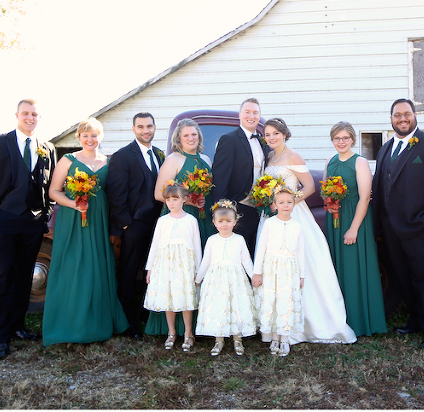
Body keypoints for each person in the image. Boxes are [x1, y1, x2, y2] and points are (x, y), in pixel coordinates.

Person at [260, 118, 357, 345]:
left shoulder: (293, 156)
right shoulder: (269, 157)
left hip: (294, 215)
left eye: (276, 133)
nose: (272, 138)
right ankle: (276, 323)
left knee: (302, 265)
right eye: (268, 135)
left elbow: (311, 186)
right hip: (271, 217)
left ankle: (310, 323)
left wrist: (287, 203)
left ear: (284, 134)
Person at [0, 99, 56, 358]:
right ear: (17, 115)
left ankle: (18, 326)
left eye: (34, 114)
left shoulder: (47, 147)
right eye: (26, 113)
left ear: (39, 117)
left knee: (24, 276)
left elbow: (51, 185)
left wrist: (46, 214)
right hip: (2, 218)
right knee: (2, 276)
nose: (30, 118)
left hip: (32, 222)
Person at [371, 99, 424, 349]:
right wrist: (379, 225)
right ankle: (416, 319)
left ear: (415, 116)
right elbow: (380, 186)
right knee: (404, 276)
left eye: (407, 114)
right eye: (397, 115)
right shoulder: (385, 148)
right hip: (392, 228)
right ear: (391, 119)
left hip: (422, 226)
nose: (403, 119)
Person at [42, 118, 129, 345]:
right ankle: (70, 323)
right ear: (79, 138)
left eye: (94, 135)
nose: (90, 139)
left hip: (99, 219)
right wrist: (74, 204)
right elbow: (54, 191)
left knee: (97, 265)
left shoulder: (109, 162)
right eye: (85, 135)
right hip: (73, 219)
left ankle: (98, 321)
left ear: (101, 136)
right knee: (74, 265)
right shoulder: (68, 160)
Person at [146, 118, 214, 336]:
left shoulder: (205, 159)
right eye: (186, 135)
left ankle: (201, 324)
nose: (191, 138)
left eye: (194, 134)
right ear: (179, 139)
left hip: (201, 218)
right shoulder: (173, 160)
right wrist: (189, 201)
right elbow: (159, 194)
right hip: (180, 217)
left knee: (198, 266)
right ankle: (173, 328)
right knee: (177, 273)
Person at [324, 121, 387, 338]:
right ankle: (340, 319)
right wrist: (329, 202)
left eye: (345, 138)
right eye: (337, 138)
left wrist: (353, 228)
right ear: (332, 140)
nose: (341, 142)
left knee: (354, 267)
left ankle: (360, 320)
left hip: (354, 218)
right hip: (334, 219)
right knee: (337, 268)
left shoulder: (359, 162)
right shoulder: (329, 162)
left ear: (352, 139)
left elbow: (364, 198)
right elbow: (326, 192)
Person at [107, 112, 165, 339]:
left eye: (149, 126)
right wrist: (126, 225)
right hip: (134, 225)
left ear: (154, 127)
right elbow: (116, 194)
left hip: (157, 223)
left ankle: (144, 314)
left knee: (149, 271)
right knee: (129, 272)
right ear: (133, 129)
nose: (145, 130)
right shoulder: (123, 156)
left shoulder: (159, 155)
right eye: (141, 127)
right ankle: (126, 323)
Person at [143, 183, 203, 352]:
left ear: (184, 199)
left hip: (185, 263)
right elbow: (155, 246)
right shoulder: (162, 221)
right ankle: (171, 332)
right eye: (168, 199)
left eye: (175, 199)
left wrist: (198, 270)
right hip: (165, 263)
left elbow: (197, 246)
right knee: (168, 297)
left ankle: (188, 333)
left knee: (185, 298)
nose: (171, 203)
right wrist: (150, 269)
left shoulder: (191, 220)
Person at [195, 200, 257, 356]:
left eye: (228, 221)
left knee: (236, 305)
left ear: (235, 222)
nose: (224, 224)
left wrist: (253, 276)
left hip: (236, 279)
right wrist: (198, 278)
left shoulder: (239, 240)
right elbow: (205, 262)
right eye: (220, 221)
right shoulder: (212, 240)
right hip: (216, 280)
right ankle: (219, 338)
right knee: (219, 306)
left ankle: (237, 338)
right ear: (214, 222)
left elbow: (246, 261)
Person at [253, 187, 306, 357]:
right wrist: (257, 272)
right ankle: (274, 338)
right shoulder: (269, 223)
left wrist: (301, 274)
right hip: (270, 268)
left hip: (289, 269)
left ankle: (285, 339)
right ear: (274, 205)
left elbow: (300, 252)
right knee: (273, 301)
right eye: (281, 203)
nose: (285, 206)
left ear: (294, 204)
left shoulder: (297, 226)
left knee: (286, 301)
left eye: (289, 202)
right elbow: (260, 248)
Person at [211, 98, 266, 258]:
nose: (251, 116)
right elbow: (220, 177)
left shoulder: (263, 142)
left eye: (255, 113)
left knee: (255, 253)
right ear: (240, 115)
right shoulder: (229, 139)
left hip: (259, 209)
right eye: (247, 112)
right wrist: (221, 211)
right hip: (238, 206)